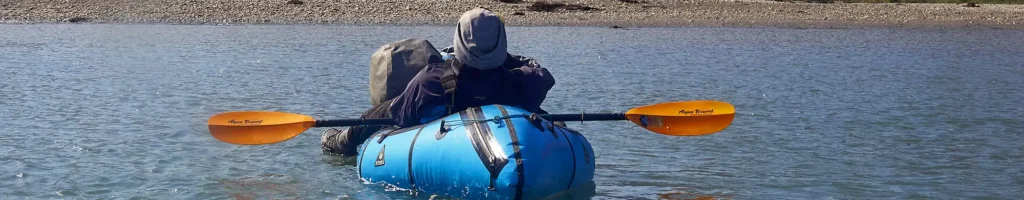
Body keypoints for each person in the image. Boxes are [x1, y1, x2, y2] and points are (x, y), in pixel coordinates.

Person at [321, 8, 556, 156]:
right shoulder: (524, 82)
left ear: (459, 40)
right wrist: (504, 58)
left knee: (385, 109)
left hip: (443, 140)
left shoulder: (431, 80)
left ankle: (344, 140)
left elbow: (400, 115)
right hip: (507, 141)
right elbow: (542, 73)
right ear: (501, 42)